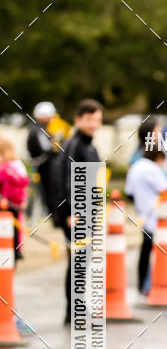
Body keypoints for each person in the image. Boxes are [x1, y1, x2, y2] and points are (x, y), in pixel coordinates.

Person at [55, 99, 103, 324]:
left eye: (97, 120)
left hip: (88, 213)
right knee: (77, 262)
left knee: (82, 263)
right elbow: (67, 180)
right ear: (78, 120)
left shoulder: (90, 145)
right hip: (77, 215)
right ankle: (72, 311)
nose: (93, 124)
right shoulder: (74, 144)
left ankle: (77, 307)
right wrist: (71, 212)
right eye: (89, 119)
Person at [125, 144, 167, 294]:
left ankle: (143, 287)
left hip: (144, 216)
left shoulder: (135, 167)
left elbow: (129, 193)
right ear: (159, 158)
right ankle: (157, 286)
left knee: (145, 252)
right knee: (166, 253)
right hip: (160, 219)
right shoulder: (152, 169)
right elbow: (166, 191)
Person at [27, 102, 59, 221]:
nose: (52, 118)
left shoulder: (39, 128)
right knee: (49, 191)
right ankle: (54, 216)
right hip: (43, 166)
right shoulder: (38, 129)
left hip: (42, 165)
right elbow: (46, 149)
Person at [0, 136, 29, 263]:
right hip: (18, 205)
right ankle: (17, 251)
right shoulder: (19, 165)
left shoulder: (4, 167)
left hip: (5, 205)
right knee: (16, 230)